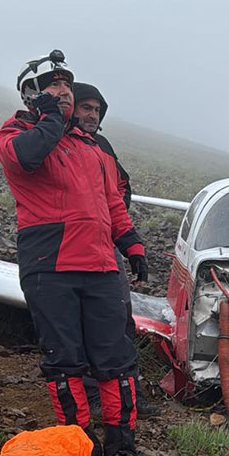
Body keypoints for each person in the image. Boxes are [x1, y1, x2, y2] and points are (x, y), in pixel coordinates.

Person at [0, 51, 147, 456]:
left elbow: (112, 201)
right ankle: (79, 453)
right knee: (66, 365)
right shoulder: (15, 134)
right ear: (32, 95)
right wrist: (47, 119)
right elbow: (27, 157)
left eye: (66, 85)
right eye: (51, 86)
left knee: (116, 362)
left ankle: (122, 453)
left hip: (100, 265)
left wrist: (131, 243)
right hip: (51, 265)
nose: (62, 92)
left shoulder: (92, 148)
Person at [72, 82, 159, 416]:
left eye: (97, 110)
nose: (92, 115)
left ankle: (127, 391)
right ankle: (91, 393)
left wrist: (130, 243)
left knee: (120, 318)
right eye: (85, 108)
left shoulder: (102, 146)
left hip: (106, 246)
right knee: (85, 323)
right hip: (74, 249)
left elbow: (117, 190)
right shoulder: (61, 144)